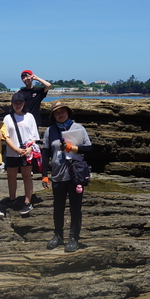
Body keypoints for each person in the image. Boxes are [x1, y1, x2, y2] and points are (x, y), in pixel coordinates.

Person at [41, 101, 92, 253]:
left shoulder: (79, 128)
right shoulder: (50, 131)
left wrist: (73, 148)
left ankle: (74, 238)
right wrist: (44, 175)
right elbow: (45, 154)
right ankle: (58, 235)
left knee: (75, 208)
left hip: (76, 175)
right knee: (58, 208)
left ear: (68, 112)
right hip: (58, 175)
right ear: (53, 116)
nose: (60, 114)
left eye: (63, 111)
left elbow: (89, 148)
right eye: (57, 112)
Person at [3, 92, 40, 216]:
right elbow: (6, 137)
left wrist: (29, 149)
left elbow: (34, 136)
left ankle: (27, 201)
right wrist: (16, 149)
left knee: (27, 176)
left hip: (27, 152)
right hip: (12, 152)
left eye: (20, 103)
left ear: (24, 104)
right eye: (15, 103)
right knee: (11, 176)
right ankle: (12, 199)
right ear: (12, 104)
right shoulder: (7, 118)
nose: (18, 105)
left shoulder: (29, 117)